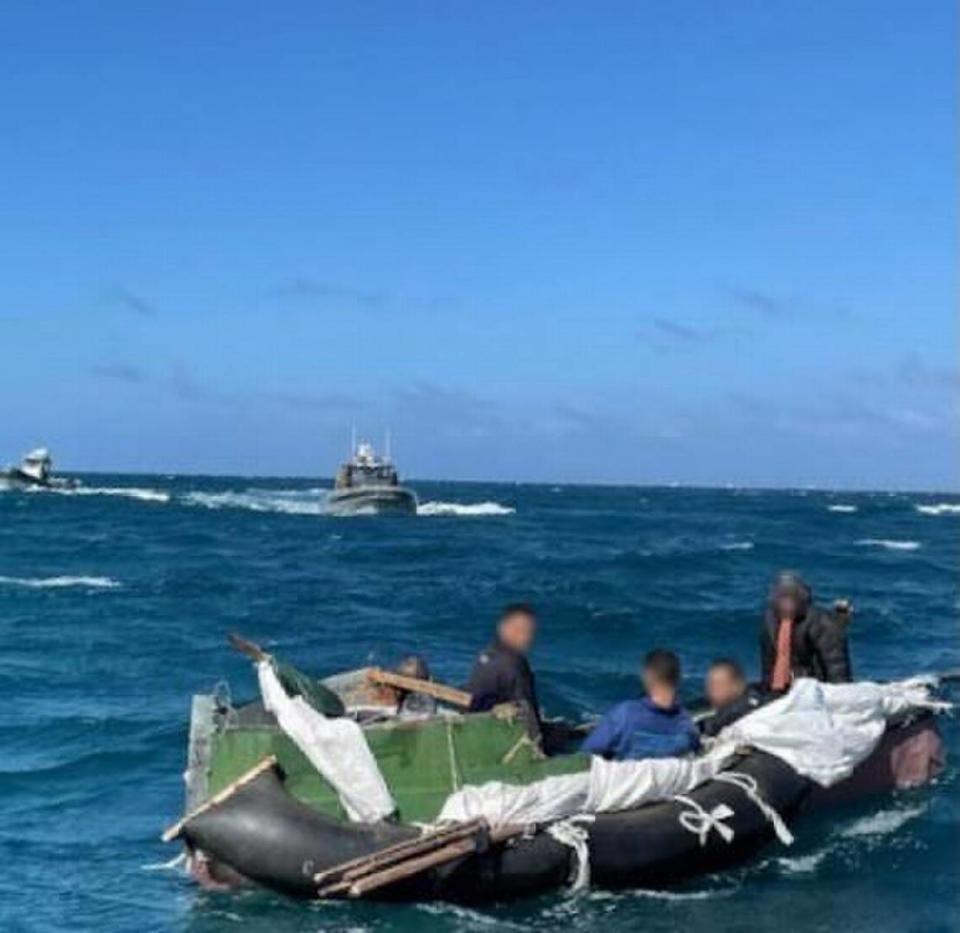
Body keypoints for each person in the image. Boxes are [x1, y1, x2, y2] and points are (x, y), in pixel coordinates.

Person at [581, 649, 700, 761]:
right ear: (678, 679)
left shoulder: (625, 714)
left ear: (647, 677)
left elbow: (589, 751)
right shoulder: (686, 724)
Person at [760, 571, 853, 692]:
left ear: (803, 600)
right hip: (786, 684)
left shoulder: (822, 624)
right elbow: (768, 665)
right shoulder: (770, 621)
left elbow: (837, 668)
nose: (787, 604)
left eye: (792, 597)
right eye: (782, 597)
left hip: (817, 687)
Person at [466, 603, 543, 746]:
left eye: (529, 632)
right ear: (503, 628)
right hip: (501, 742)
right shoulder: (513, 664)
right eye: (519, 631)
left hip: (475, 731)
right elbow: (529, 719)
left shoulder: (486, 656)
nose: (526, 637)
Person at [699, 658, 762, 737]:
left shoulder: (739, 715)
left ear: (736, 686)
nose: (709, 691)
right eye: (709, 685)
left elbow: (714, 727)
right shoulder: (754, 699)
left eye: (717, 685)